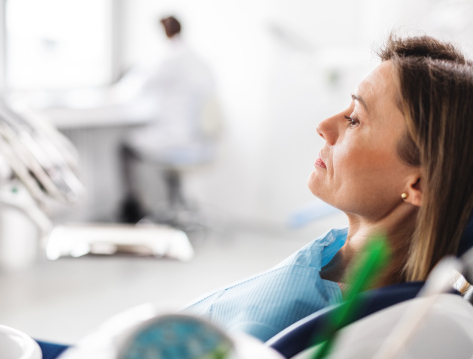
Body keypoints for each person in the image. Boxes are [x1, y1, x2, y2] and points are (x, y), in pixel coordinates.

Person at [181, 34, 473, 342]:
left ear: (418, 184)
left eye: (355, 120)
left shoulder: (305, 322)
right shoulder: (335, 260)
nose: (324, 126)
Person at [117, 16, 218, 223]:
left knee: (126, 148)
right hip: (201, 142)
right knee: (163, 159)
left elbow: (130, 89)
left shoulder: (167, 58)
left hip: (175, 140)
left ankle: (135, 208)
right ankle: (177, 207)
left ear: (164, 31)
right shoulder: (200, 60)